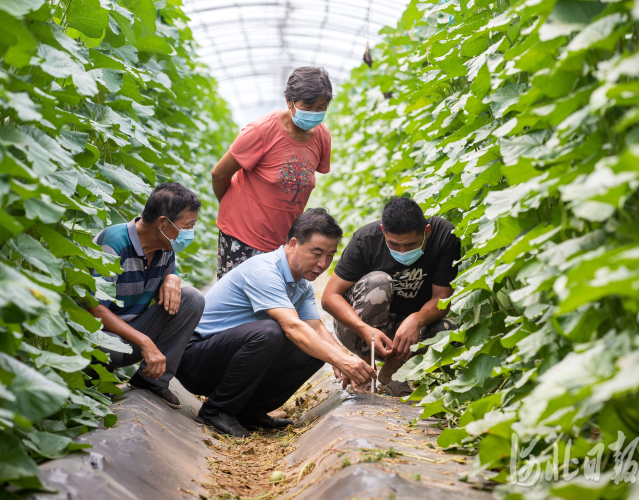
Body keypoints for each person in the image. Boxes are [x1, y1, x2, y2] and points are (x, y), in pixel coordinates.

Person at [176, 209, 375, 437]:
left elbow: (316, 328)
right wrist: (340, 360)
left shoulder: (302, 285)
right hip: (196, 359)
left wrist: (343, 359)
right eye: (316, 253)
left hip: (228, 359)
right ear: (293, 244)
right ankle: (217, 410)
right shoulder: (265, 271)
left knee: (315, 350)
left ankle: (250, 412)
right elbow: (292, 326)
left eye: (330, 255)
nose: (323, 263)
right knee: (271, 332)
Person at [321, 198, 461, 394]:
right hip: (358, 328)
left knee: (448, 330)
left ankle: (393, 370)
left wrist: (418, 319)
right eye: (394, 244)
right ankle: (364, 368)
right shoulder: (365, 240)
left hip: (407, 333)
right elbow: (329, 297)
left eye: (411, 245)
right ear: (382, 231)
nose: (402, 251)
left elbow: (442, 298)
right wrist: (364, 330)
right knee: (378, 282)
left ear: (426, 232)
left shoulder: (444, 236)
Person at [87, 183, 206, 409]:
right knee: (106, 348)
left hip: (133, 337)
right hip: (103, 335)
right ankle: (91, 386)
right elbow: (94, 308)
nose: (190, 232)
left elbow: (173, 284)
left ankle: (152, 380)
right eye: (188, 225)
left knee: (192, 298)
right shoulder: (115, 242)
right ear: (163, 223)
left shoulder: (164, 247)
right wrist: (145, 342)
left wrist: (174, 278)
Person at [211, 67, 334, 278]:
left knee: (273, 305)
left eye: (320, 108)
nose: (314, 113)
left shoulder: (322, 136)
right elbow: (219, 174)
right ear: (289, 102)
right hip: (242, 235)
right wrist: (237, 209)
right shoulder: (260, 131)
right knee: (238, 303)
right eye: (307, 107)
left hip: (283, 241)